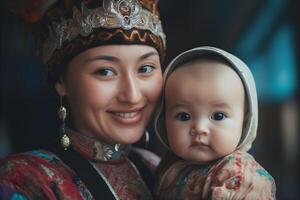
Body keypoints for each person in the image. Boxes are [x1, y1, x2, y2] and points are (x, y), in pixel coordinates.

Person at [0, 0, 166, 199]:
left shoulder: (159, 170)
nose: (132, 96)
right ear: (61, 82)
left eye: (145, 69)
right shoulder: (25, 179)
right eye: (105, 72)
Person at [154, 46, 276, 199]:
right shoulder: (167, 164)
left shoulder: (238, 175)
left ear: (244, 123)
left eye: (218, 116)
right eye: (184, 116)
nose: (199, 128)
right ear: (164, 120)